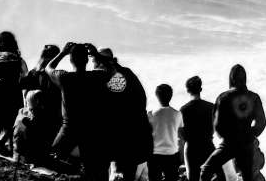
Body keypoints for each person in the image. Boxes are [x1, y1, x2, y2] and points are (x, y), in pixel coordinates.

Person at [46, 41, 111, 181]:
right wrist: (96, 54)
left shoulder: (64, 77)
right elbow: (112, 69)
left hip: (68, 129)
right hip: (91, 130)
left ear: (71, 60)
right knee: (93, 171)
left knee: (52, 162)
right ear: (87, 60)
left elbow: (48, 67)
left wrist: (62, 52)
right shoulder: (96, 77)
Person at [200, 64, 266, 181]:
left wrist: (228, 136)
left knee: (206, 170)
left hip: (228, 144)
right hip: (246, 144)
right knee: (248, 177)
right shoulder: (254, 97)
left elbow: (217, 125)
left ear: (231, 79)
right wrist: (249, 135)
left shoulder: (223, 97)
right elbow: (261, 123)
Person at [98, 48, 151, 181]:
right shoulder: (126, 74)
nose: (93, 67)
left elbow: (113, 109)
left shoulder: (118, 77)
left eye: (94, 62)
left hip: (125, 143)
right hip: (133, 143)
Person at [180, 75, 215, 181]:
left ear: (187, 90)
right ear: (201, 89)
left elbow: (181, 132)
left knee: (193, 178)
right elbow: (215, 127)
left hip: (191, 148)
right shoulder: (211, 107)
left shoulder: (183, 110)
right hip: (207, 145)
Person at [149, 83, 184, 181]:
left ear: (157, 96)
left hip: (154, 155)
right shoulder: (177, 114)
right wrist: (181, 155)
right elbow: (180, 137)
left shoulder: (150, 114)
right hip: (172, 154)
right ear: (171, 96)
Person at [14, 90, 53, 167]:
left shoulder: (21, 111)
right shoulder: (38, 117)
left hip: (16, 155)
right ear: (38, 102)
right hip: (30, 159)